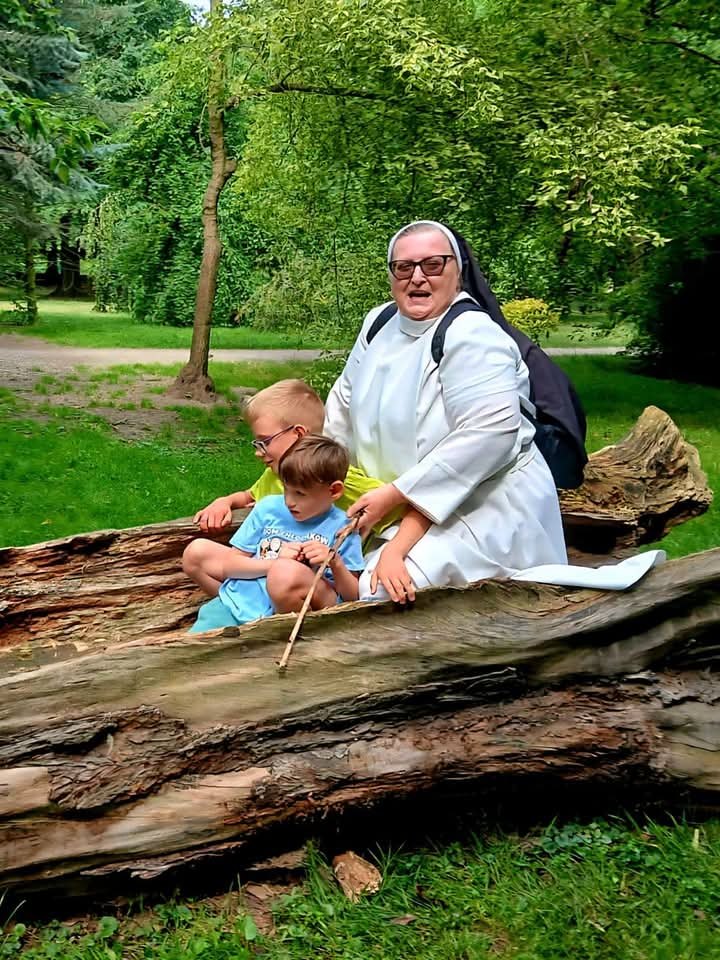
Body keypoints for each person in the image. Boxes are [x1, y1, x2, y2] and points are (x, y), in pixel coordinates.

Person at [323, 219, 568, 602]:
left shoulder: (472, 333)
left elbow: (492, 433)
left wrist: (397, 494)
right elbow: (343, 402)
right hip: (390, 505)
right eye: (404, 267)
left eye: (433, 265)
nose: (417, 277)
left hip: (481, 506)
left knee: (380, 592)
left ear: (457, 271)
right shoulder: (378, 323)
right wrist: (325, 475)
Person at [192, 377, 427, 602]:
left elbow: (418, 506)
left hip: (312, 581)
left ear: (298, 434)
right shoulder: (275, 474)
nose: (258, 452)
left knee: (285, 574)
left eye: (265, 441)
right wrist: (225, 502)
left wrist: (393, 553)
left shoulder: (341, 482)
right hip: (267, 567)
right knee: (196, 555)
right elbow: (249, 495)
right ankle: (239, 604)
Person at [185, 435, 364, 633]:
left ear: (334, 491)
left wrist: (335, 562)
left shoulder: (343, 527)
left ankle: (282, 632)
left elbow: (353, 597)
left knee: (285, 572)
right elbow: (230, 566)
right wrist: (274, 563)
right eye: (286, 489)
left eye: (300, 493)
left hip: (303, 607)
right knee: (195, 641)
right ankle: (234, 607)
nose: (289, 501)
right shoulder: (269, 508)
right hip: (241, 601)